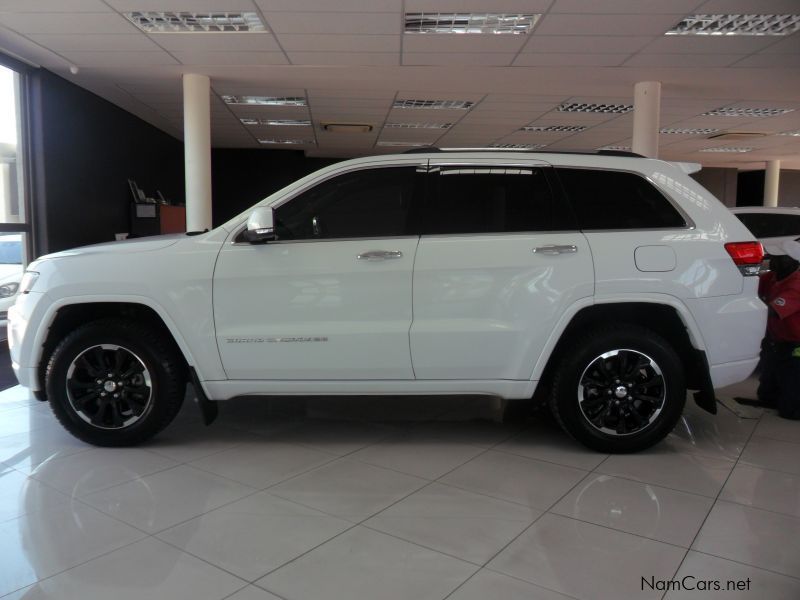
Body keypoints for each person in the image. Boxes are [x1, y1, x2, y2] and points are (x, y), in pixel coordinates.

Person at [740, 239, 800, 420]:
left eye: (777, 258)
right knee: (766, 394)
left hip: (795, 346)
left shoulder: (796, 285)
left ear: (793, 262)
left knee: (791, 411)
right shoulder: (775, 276)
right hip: (777, 342)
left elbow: (771, 310)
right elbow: (751, 284)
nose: (771, 260)